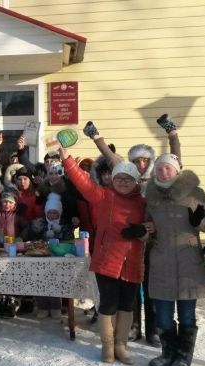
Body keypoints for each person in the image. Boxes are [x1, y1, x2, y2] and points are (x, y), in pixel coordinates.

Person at [83, 118, 183, 346]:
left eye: (144, 160)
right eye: (136, 160)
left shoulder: (161, 178)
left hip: (156, 241)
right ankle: (133, 326)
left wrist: (172, 134)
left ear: (151, 161)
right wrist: (96, 137)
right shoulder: (128, 179)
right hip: (132, 240)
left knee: (152, 287)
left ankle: (154, 328)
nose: (140, 164)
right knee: (132, 284)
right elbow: (111, 158)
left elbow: (176, 159)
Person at [61, 147, 146, 365]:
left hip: (133, 261)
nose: (123, 182)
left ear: (136, 181)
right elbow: (84, 183)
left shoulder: (143, 202)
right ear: (113, 180)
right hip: (107, 260)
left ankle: (121, 345)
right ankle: (108, 347)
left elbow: (153, 226)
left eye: (128, 179)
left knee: (127, 306)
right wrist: (67, 160)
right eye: (119, 178)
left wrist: (144, 230)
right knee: (108, 305)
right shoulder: (104, 196)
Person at [144, 153, 205, 366]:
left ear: (177, 171)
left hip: (188, 262)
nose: (163, 172)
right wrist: (146, 231)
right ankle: (168, 353)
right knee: (163, 315)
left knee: (187, 315)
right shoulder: (150, 196)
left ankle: (184, 358)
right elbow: (146, 227)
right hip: (161, 261)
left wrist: (200, 222)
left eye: (168, 168)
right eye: (159, 168)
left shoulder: (195, 193)